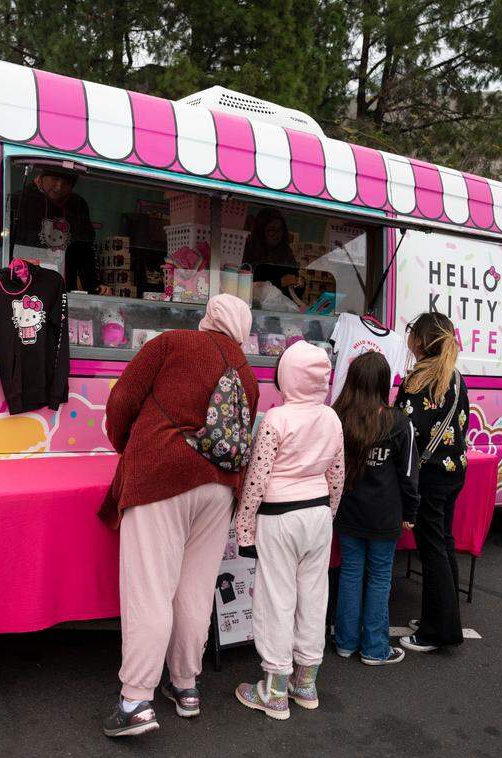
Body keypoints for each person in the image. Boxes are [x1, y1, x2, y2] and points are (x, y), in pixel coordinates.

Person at [99, 294, 259, 737]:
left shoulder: (172, 343)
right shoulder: (246, 373)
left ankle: (135, 700)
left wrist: (131, 446)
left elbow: (122, 402)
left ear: (209, 318)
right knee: (195, 589)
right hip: (219, 487)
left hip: (160, 479)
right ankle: (186, 685)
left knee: (150, 588)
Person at [231, 341, 344, 720]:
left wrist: (244, 528)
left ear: (286, 377)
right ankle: (306, 683)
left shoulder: (276, 419)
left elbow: (257, 479)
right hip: (317, 516)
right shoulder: (332, 418)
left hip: (279, 517)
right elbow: (337, 476)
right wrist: (329, 513)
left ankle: (275, 690)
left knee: (276, 598)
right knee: (314, 597)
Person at [333, 351, 420, 666]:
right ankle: (374, 648)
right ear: (384, 383)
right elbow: (409, 475)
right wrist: (411, 513)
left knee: (351, 572)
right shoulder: (398, 421)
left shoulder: (338, 416)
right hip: (384, 514)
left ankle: (345, 642)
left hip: (347, 511)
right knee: (380, 576)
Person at [395, 311, 469, 653]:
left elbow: (406, 432)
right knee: (444, 543)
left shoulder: (419, 380)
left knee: (433, 549)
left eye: (411, 332)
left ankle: (437, 631)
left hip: (429, 476)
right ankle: (442, 618)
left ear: (421, 342)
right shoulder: (453, 376)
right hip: (453, 470)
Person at [9, 168, 110, 295]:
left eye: (66, 183)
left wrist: (94, 284)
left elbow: (85, 249)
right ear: (41, 176)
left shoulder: (78, 205)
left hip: (62, 291)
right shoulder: (20, 200)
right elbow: (8, 245)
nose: (58, 187)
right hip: (23, 286)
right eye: (55, 179)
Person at [245, 207, 299, 294]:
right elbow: (249, 287)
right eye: (271, 230)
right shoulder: (251, 251)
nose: (276, 234)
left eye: (280, 229)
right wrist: (280, 282)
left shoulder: (286, 252)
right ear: (261, 231)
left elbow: (295, 280)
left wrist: (300, 282)